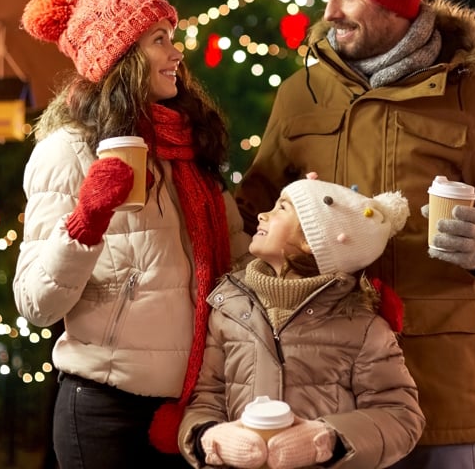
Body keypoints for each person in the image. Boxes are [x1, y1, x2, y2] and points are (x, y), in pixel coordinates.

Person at [234, 0, 475, 469]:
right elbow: (251, 210)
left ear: (395, 3)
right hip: (321, 382)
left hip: (431, 377)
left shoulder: (474, 96)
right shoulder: (300, 93)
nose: (329, 13)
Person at [13, 0, 250, 469]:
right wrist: (87, 222)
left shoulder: (191, 146)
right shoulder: (68, 151)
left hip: (196, 409)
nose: (176, 51)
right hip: (106, 411)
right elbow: (36, 304)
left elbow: (240, 262)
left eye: (172, 37)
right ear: (120, 58)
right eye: (159, 39)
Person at [178, 173, 425, 469]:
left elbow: (400, 415)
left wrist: (327, 440)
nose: (262, 214)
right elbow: (208, 398)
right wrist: (210, 438)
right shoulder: (228, 308)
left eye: (281, 208)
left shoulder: (362, 327)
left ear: (311, 239)